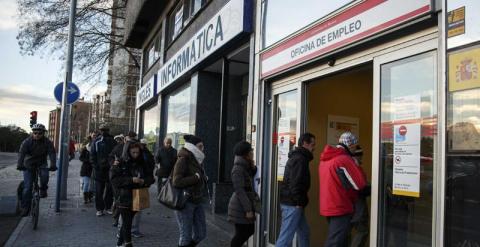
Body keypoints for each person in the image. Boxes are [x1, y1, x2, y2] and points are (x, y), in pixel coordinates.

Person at [319, 132, 367, 247]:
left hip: (328, 205)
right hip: (340, 207)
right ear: (350, 145)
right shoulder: (344, 159)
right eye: (355, 147)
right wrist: (356, 165)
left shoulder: (326, 159)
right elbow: (359, 184)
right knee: (335, 242)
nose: (355, 150)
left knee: (341, 241)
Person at [110, 142, 154, 247]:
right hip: (123, 196)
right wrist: (131, 180)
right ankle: (128, 244)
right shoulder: (120, 163)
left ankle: (120, 243)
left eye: (137, 152)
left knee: (128, 221)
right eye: (133, 152)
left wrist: (144, 181)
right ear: (128, 152)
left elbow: (151, 178)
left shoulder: (143, 163)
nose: (135, 155)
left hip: (138, 195)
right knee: (127, 222)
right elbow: (114, 180)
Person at [276, 133, 316, 247]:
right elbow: (295, 183)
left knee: (304, 233)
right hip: (293, 204)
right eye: (312, 144)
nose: (314, 148)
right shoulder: (300, 159)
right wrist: (299, 202)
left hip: (293, 203)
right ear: (305, 144)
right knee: (285, 239)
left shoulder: (299, 157)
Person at [172, 134, 208, 247]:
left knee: (201, 234)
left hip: (197, 200)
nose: (202, 149)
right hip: (185, 201)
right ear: (193, 147)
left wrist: (202, 178)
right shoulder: (183, 159)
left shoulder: (197, 159)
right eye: (200, 146)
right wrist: (196, 178)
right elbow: (176, 181)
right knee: (185, 236)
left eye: (203, 146)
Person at [17, 123, 57, 216]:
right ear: (32, 133)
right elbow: (21, 154)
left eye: (39, 133)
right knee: (27, 188)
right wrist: (20, 165)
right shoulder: (26, 142)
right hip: (28, 164)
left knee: (45, 176)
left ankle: (43, 189)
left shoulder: (47, 142)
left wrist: (53, 165)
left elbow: (52, 153)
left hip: (41, 163)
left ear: (43, 133)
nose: (37, 135)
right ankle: (25, 207)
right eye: (35, 133)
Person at [228, 141, 258, 247]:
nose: (253, 152)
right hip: (240, 206)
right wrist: (248, 210)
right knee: (241, 234)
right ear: (246, 153)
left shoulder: (245, 165)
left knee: (249, 230)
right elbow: (240, 190)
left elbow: (248, 179)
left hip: (244, 204)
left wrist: (253, 167)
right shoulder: (237, 169)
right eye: (251, 150)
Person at [90, 124, 117, 216]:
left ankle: (107, 207)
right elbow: (92, 155)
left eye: (105, 130)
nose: (104, 132)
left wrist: (113, 165)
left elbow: (116, 154)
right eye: (102, 130)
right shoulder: (96, 141)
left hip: (109, 169)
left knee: (109, 190)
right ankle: (100, 208)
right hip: (99, 170)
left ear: (108, 131)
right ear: (100, 131)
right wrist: (96, 166)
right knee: (99, 190)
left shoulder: (113, 141)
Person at [350, 146, 370, 247]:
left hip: (348, 205)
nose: (361, 158)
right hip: (358, 205)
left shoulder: (346, 166)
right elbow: (361, 188)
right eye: (360, 156)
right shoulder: (356, 168)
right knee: (362, 231)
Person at [79, 137, 94, 204]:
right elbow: (81, 158)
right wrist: (88, 161)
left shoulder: (95, 150)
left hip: (93, 169)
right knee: (87, 183)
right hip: (85, 169)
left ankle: (90, 197)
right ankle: (85, 198)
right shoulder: (85, 150)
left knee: (91, 185)